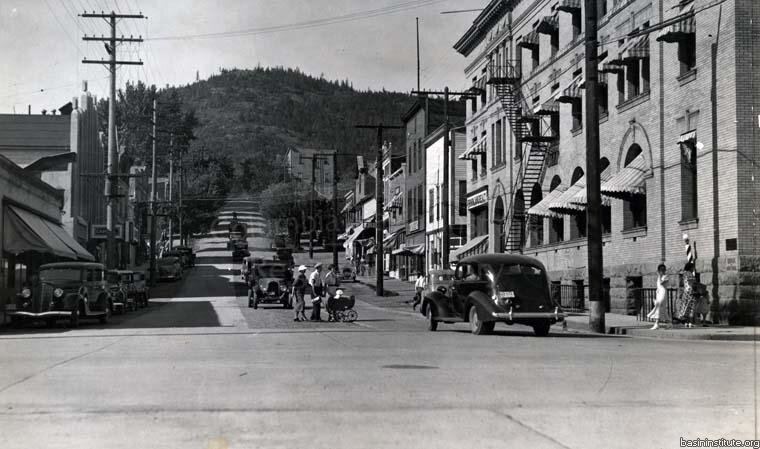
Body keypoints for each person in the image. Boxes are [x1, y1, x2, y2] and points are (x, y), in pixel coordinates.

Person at [647, 264, 670, 330]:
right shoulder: (659, 277)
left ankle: (656, 324)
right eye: (661, 270)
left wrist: (660, 276)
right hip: (659, 294)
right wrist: (655, 296)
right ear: (659, 270)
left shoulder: (666, 276)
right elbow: (658, 287)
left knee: (659, 307)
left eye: (663, 270)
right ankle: (669, 323)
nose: (662, 271)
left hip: (663, 293)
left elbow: (661, 283)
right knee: (663, 309)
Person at [677, 262, 698, 328]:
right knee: (691, 307)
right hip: (690, 291)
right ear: (690, 267)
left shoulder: (684, 273)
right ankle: (690, 322)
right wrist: (695, 283)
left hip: (686, 291)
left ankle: (687, 322)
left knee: (686, 307)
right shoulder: (689, 274)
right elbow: (691, 282)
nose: (694, 268)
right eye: (693, 267)